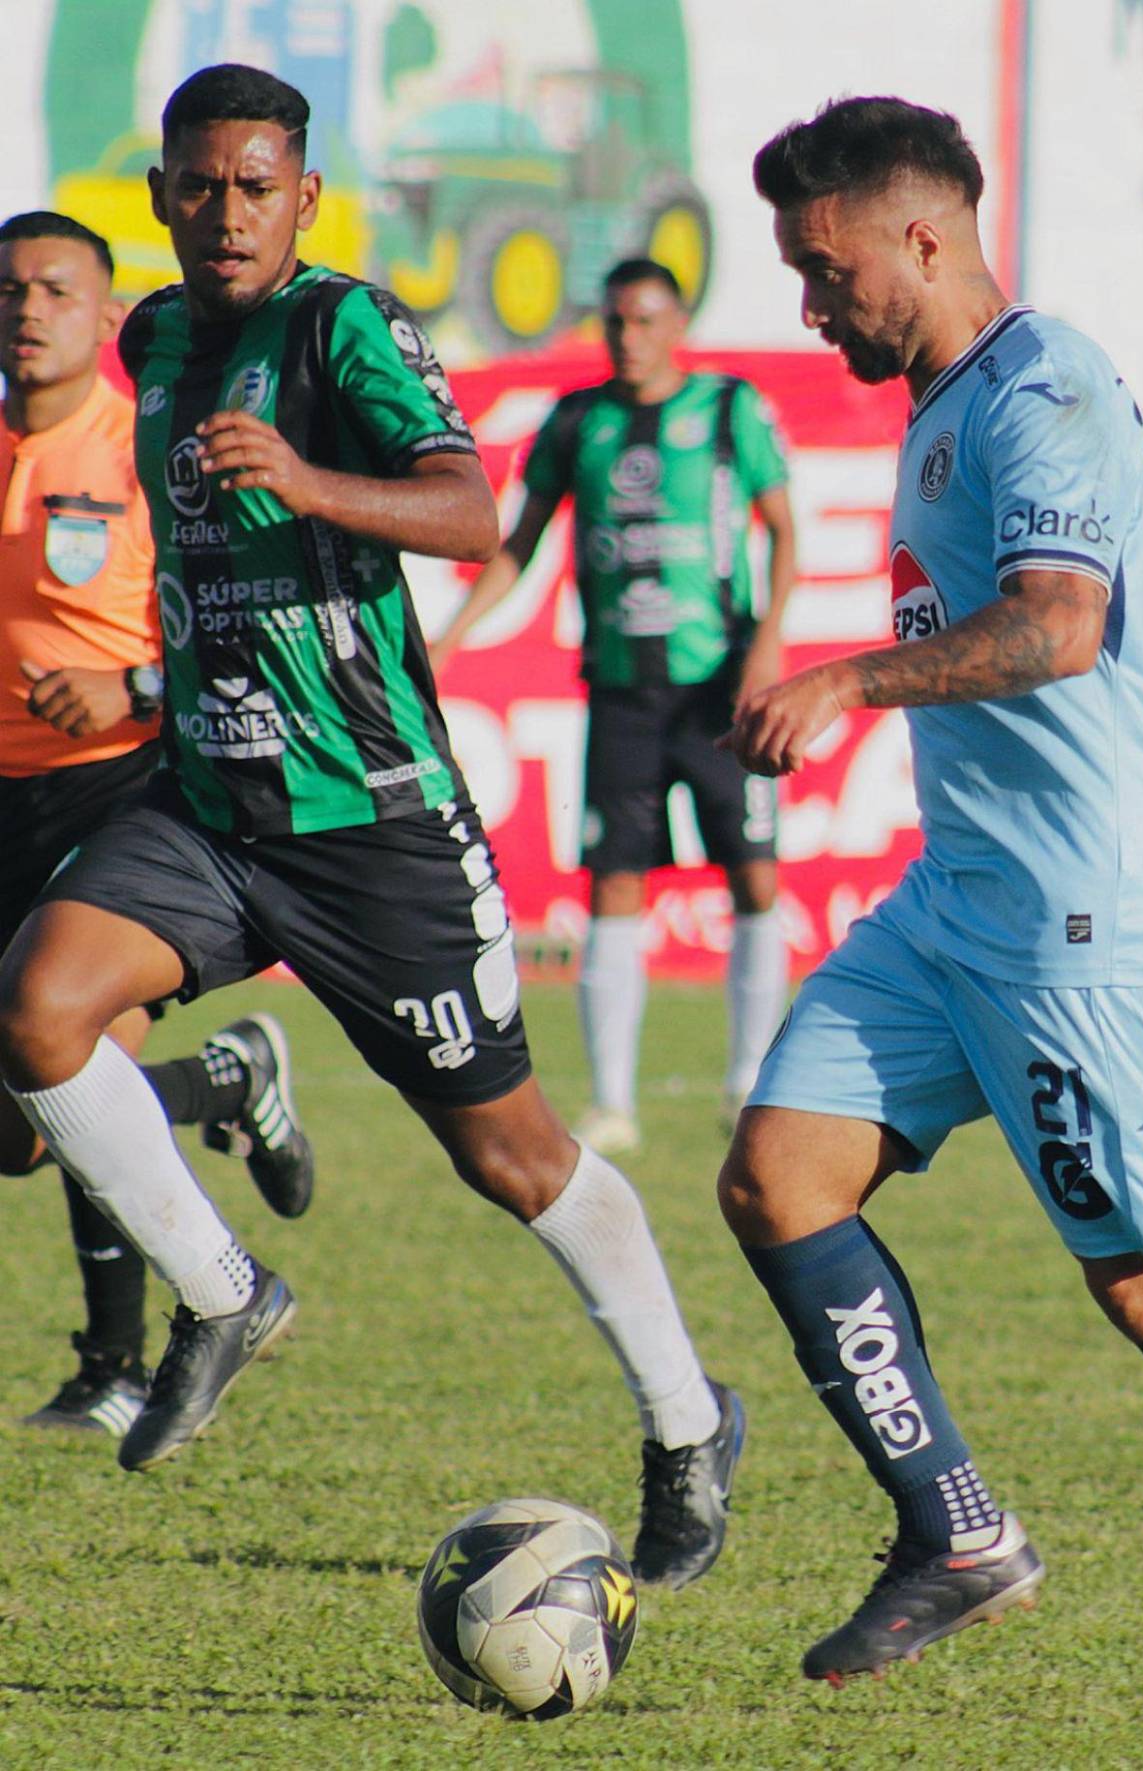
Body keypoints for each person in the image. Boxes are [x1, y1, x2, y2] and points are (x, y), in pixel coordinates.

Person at [0, 65, 743, 1591]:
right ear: (159, 194)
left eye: (255, 184)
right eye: (199, 184)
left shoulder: (345, 328)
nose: (225, 211)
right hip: (211, 804)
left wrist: (308, 479)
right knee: (36, 1005)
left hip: (373, 822)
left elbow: (471, 514)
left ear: (304, 197)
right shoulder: (151, 338)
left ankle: (686, 1419)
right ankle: (222, 1294)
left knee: (516, 1158)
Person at [716, 95, 1143, 1684]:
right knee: (779, 1174)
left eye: (822, 265)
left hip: (1080, 917)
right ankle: (959, 1528)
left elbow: (1062, 625)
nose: (809, 301)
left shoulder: (1041, 388)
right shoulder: (943, 400)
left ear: (919, 234)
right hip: (958, 905)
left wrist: (851, 677)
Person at [0, 209, 314, 1437]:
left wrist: (128, 688)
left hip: (124, 786)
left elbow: (235, 622)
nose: (28, 309)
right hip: (7, 794)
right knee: (19, 1134)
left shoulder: (144, 445)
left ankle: (114, 1364)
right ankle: (227, 1078)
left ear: (105, 308)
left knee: (63, 1037)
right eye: (11, 288)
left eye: (55, 289)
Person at [430, 258, 796, 1153]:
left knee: (754, 873)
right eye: (617, 322)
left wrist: (769, 642)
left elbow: (785, 528)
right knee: (615, 885)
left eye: (646, 321)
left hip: (718, 688)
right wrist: (449, 637)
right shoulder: (577, 421)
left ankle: (750, 1080)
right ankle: (613, 1101)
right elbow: (518, 544)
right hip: (622, 693)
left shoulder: (727, 411)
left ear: (677, 326)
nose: (630, 338)